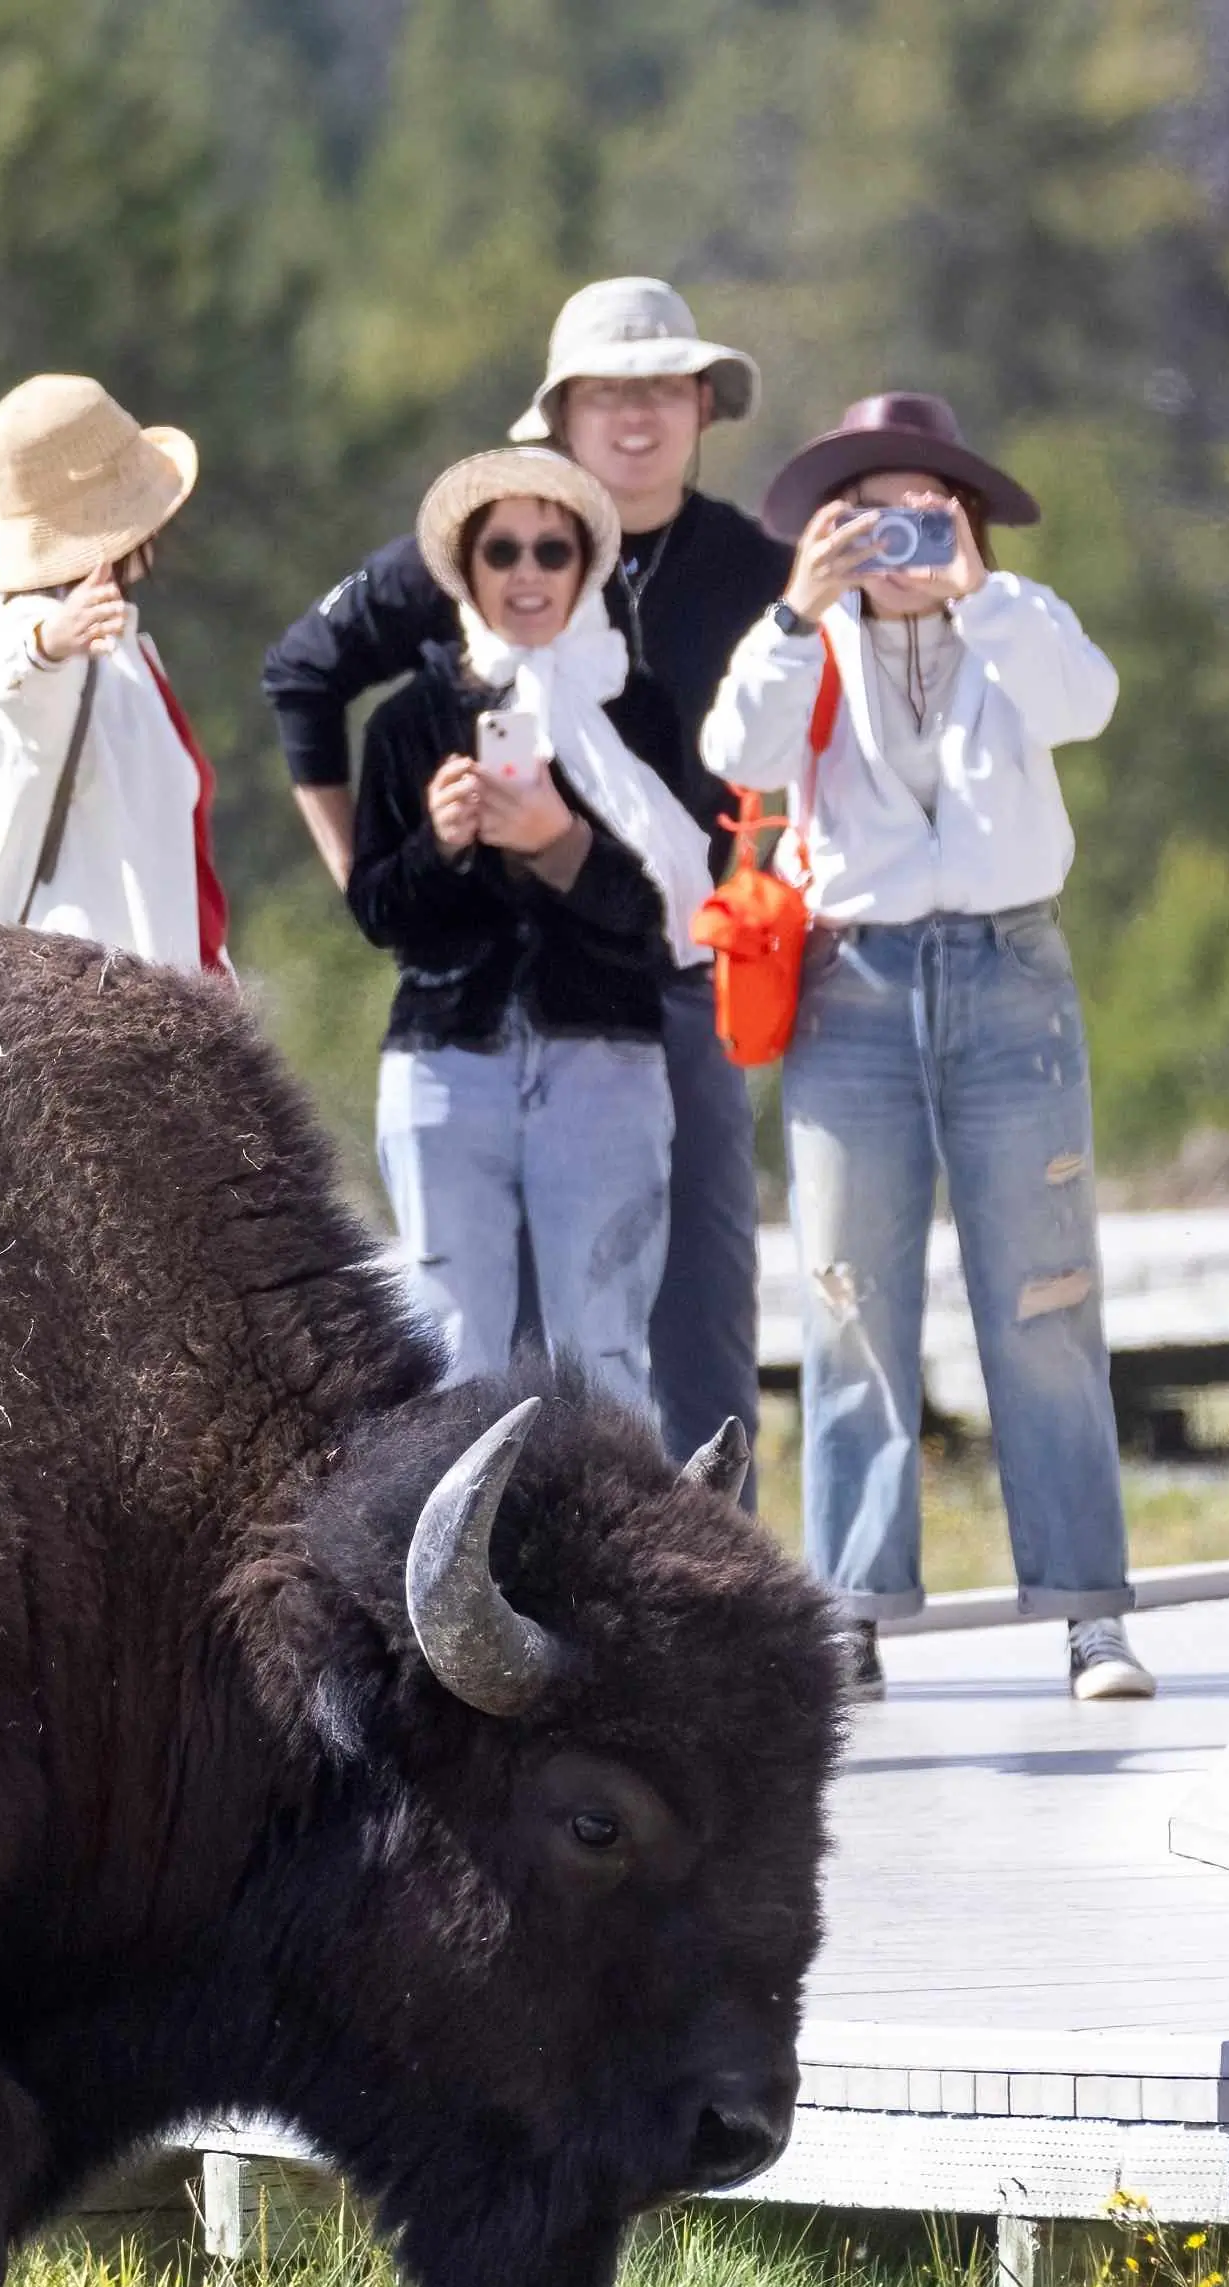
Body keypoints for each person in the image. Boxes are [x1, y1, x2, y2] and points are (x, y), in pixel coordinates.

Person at [261, 279, 785, 1474]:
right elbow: (300, 675)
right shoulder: (465, 553)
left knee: (689, 1288)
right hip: (476, 1008)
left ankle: (698, 1575)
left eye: (660, 388)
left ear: (702, 404)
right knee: (477, 1321)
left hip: (682, 964)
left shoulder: (753, 570)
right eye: (606, 392)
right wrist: (381, 872)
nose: (636, 418)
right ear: (559, 412)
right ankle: (497, 1595)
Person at [701, 393, 1148, 1704]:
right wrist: (796, 607)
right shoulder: (807, 640)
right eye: (869, 513)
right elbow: (735, 748)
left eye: (923, 508)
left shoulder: (1017, 626)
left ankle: (1086, 1612)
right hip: (855, 979)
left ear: (964, 514)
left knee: (1048, 1302)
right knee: (848, 1305)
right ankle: (846, 1609)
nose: (896, 538)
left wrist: (976, 592)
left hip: (1010, 970)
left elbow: (1088, 706)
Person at [348, 449, 713, 1419]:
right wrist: (441, 842)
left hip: (602, 1055)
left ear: (584, 566)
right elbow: (380, 912)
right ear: (463, 570)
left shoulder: (632, 709)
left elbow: (662, 916)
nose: (524, 573)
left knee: (600, 1346)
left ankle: (613, 1569)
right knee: (451, 1349)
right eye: (499, 549)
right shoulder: (408, 722)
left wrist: (560, 844)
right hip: (445, 1059)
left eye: (550, 551)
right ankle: (442, 1568)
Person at [0, 374, 228, 977]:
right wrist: (48, 647)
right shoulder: (28, 626)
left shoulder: (111, 637)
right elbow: (19, 697)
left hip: (142, 991)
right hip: (92, 1005)